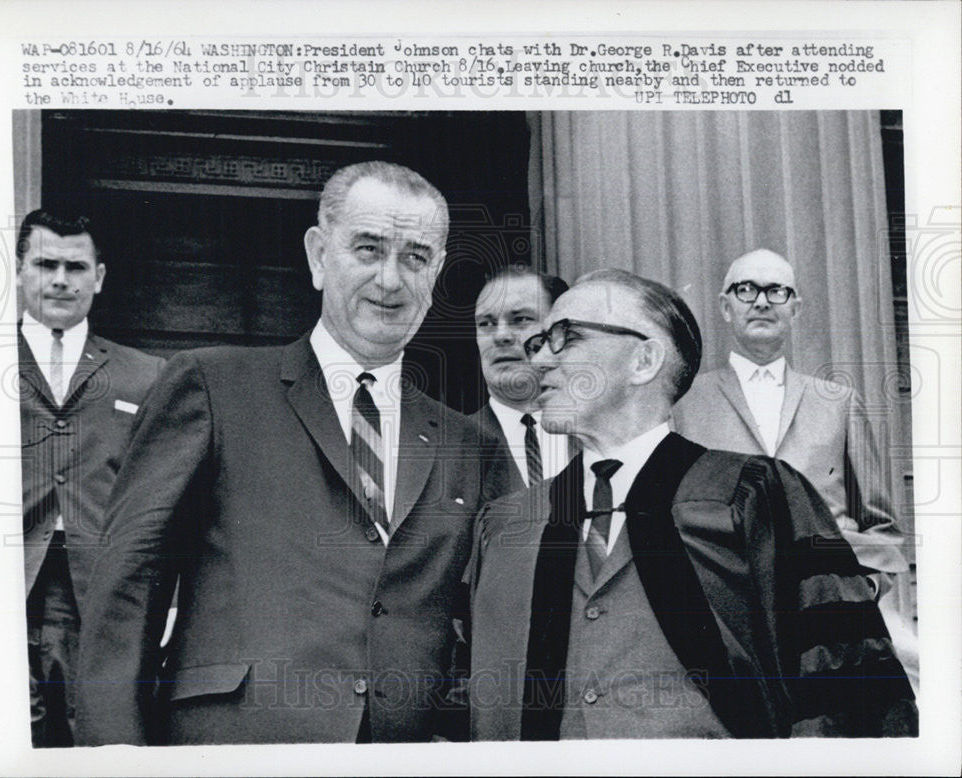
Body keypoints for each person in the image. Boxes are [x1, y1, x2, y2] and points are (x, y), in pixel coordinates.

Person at [76, 161, 506, 746]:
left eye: (416, 257)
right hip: (233, 743)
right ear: (317, 255)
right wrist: (112, 753)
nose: (390, 280)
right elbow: (130, 582)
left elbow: (495, 620)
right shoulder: (211, 386)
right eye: (368, 248)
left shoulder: (472, 444)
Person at [467, 268, 917, 740]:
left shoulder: (753, 494)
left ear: (644, 360)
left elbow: (848, 688)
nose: (538, 360)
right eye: (539, 343)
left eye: (566, 337)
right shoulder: (505, 525)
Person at [671, 249, 917, 688]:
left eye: (776, 291)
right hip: (732, 624)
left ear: (795, 308)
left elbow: (884, 530)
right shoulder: (684, 407)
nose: (761, 302)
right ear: (726, 306)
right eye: (746, 290)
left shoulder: (836, 402)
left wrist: (864, 590)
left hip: (835, 622)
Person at [16, 209, 165, 747]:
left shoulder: (147, 375)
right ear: (18, 271)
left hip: (103, 588)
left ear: (98, 277)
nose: (60, 279)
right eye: (45, 263)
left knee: (100, 732)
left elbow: (164, 495)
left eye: (75, 266)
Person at [471, 265, 573, 493]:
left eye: (520, 320)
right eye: (486, 324)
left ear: (558, 333)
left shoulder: (598, 436)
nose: (501, 336)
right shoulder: (449, 447)